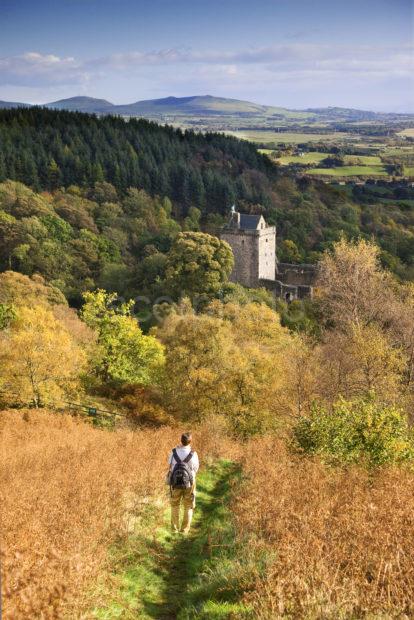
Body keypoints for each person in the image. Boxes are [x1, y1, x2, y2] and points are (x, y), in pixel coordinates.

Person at [168, 432, 199, 534]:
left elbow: (170, 466)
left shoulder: (173, 452)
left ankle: (174, 530)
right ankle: (184, 530)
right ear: (190, 441)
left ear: (180, 440)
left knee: (175, 505)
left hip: (175, 483)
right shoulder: (193, 454)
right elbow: (196, 469)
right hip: (189, 483)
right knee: (188, 506)